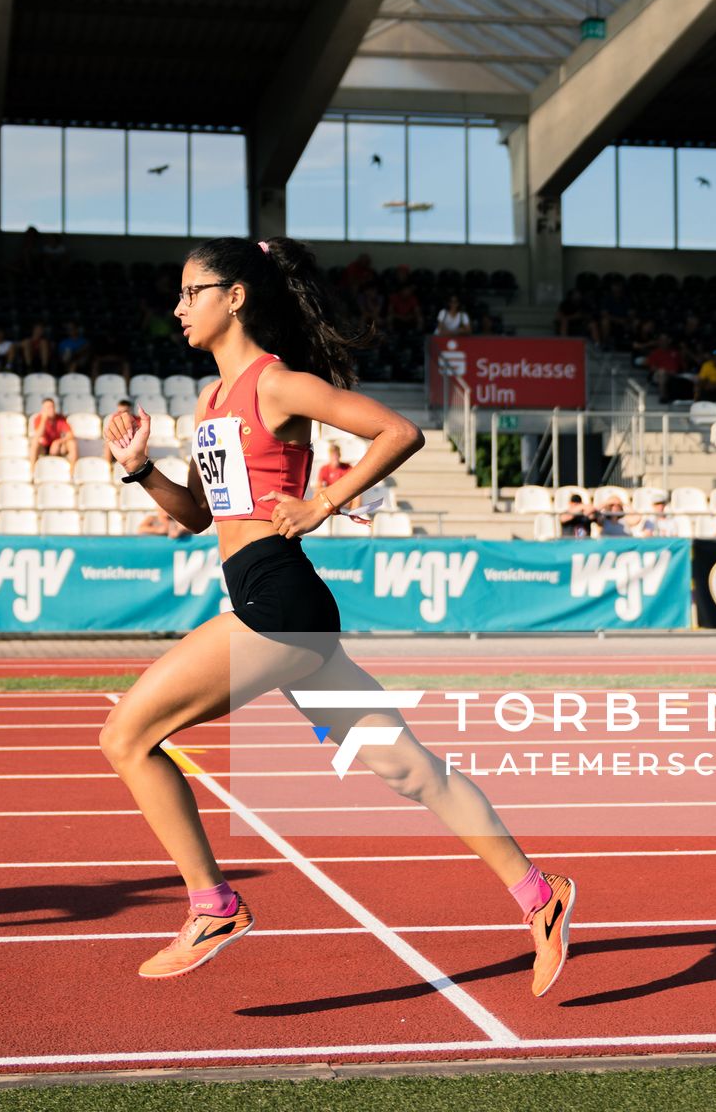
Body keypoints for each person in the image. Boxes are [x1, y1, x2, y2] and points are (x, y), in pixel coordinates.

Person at [100, 235, 575, 992]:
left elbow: (400, 431)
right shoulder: (210, 400)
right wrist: (141, 473)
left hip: (277, 604)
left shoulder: (278, 385)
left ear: (236, 296)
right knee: (411, 769)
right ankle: (541, 896)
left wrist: (325, 501)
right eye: (180, 295)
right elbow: (197, 516)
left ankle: (212, 904)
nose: (179, 306)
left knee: (127, 734)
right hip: (278, 605)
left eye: (192, 292)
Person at [29, 396, 78, 470]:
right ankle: (33, 470)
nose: (51, 409)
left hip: (57, 447)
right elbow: (38, 435)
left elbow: (70, 435)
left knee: (71, 443)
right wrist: (44, 420)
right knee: (34, 442)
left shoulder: (60, 418)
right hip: (44, 447)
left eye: (52, 407)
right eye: (48, 408)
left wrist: (58, 442)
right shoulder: (39, 419)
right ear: (43, 409)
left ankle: (73, 472)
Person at [102, 398, 135, 467]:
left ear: (130, 410)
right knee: (108, 444)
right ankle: (107, 467)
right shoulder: (112, 418)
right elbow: (108, 434)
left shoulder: (136, 420)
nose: (122, 414)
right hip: (118, 441)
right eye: (120, 411)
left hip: (132, 442)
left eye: (125, 411)